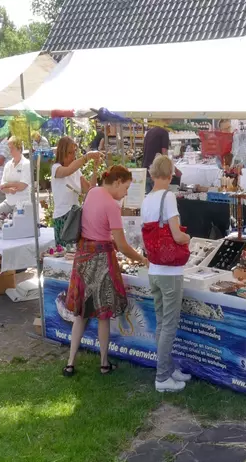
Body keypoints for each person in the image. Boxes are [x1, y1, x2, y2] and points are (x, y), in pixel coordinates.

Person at [62, 165, 148, 377]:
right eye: (126, 187)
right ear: (117, 182)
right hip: (101, 259)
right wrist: (143, 259)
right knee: (102, 315)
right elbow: (123, 245)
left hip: (83, 257)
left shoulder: (92, 192)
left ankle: (70, 363)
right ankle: (103, 363)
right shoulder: (112, 205)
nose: (126, 193)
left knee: (81, 314)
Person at [141, 154, 192, 392]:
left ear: (152, 174)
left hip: (154, 269)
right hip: (170, 272)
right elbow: (176, 234)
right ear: (170, 175)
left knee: (162, 323)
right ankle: (162, 377)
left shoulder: (146, 200)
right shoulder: (169, 197)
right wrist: (187, 237)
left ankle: (168, 369)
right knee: (169, 325)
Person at [52, 137, 97, 247]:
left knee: (75, 252)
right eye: (69, 153)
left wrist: (96, 167)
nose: (73, 156)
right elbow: (67, 171)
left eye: (74, 152)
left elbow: (90, 190)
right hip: (62, 217)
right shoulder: (56, 168)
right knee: (64, 253)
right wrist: (86, 157)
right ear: (62, 153)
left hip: (75, 216)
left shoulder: (76, 171)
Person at [0, 137, 32, 219]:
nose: (10, 151)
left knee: (15, 219)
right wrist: (9, 189)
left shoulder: (26, 164)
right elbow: (1, 187)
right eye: (9, 148)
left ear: (19, 149)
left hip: (22, 202)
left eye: (12, 148)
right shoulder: (8, 165)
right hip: (9, 202)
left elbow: (22, 186)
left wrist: (7, 185)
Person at [142, 126, 175, 193]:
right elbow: (164, 154)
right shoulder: (164, 133)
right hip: (157, 173)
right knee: (159, 197)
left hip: (145, 170)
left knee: (149, 197)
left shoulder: (149, 132)